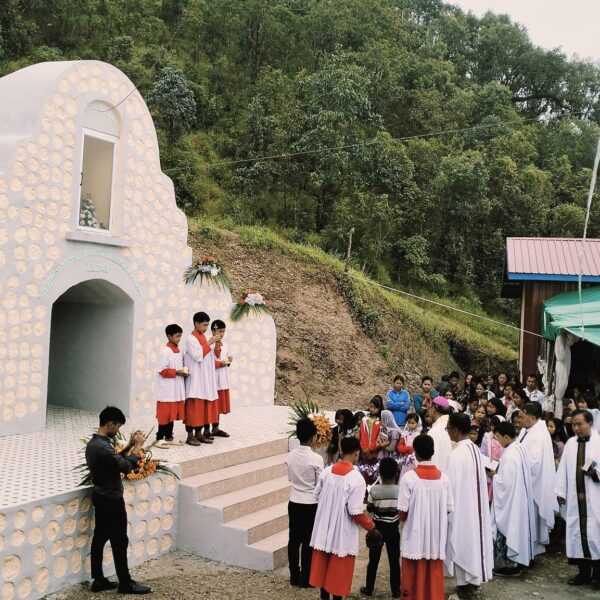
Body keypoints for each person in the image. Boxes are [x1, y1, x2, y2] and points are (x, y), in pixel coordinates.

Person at [85, 406, 151, 595]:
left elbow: (115, 460)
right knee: (119, 540)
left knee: (100, 538)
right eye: (118, 426)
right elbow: (125, 467)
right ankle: (125, 583)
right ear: (110, 424)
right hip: (111, 500)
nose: (118, 430)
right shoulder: (102, 447)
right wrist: (138, 446)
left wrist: (130, 445)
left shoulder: (95, 443)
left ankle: (98, 579)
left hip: (101, 496)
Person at [309, 437, 379, 600]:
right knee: (338, 574)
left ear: (341, 451)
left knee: (324, 569)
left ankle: (324, 596)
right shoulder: (356, 479)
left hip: (325, 527)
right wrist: (371, 526)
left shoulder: (327, 471)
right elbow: (355, 511)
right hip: (342, 531)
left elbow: (316, 494)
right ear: (356, 454)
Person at [397, 434, 454, 600]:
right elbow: (449, 508)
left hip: (414, 536)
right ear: (433, 452)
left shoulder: (409, 478)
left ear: (415, 453)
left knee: (412, 578)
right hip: (435, 538)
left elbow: (402, 512)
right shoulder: (444, 479)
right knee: (433, 578)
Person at [445, 413, 494, 600]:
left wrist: (447, 507)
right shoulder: (474, 449)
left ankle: (464, 588)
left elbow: (451, 485)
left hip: (462, 506)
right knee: (474, 542)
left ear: (456, 430)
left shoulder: (457, 454)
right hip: (476, 506)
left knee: (463, 541)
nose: (448, 431)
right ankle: (471, 583)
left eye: (448, 428)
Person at [555, 409, 600, 588]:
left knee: (595, 536)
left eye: (580, 424)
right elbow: (563, 470)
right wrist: (560, 491)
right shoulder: (571, 444)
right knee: (577, 536)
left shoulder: (599, 443)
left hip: (594, 499)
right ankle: (583, 574)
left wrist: (595, 473)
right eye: (573, 424)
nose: (576, 428)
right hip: (575, 499)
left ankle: (598, 575)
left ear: (590, 423)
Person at [491, 421, 536, 576]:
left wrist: (494, 477)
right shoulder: (518, 448)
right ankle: (517, 563)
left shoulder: (510, 455)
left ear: (505, 436)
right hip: (520, 499)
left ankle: (508, 566)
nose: (497, 441)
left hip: (510, 502)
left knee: (508, 530)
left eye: (498, 437)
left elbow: (506, 484)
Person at [286, 418, 324, 588]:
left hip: (294, 501)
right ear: (312, 437)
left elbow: (289, 478)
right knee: (308, 542)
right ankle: (307, 578)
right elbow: (319, 485)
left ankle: (294, 575)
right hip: (310, 503)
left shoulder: (290, 455)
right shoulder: (316, 458)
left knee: (294, 541)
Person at [518, 402, 558, 556]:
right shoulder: (527, 430)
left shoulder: (539, 434)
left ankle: (530, 553)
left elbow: (534, 463)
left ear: (533, 417)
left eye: (523, 417)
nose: (520, 420)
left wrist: (516, 466)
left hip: (533, 486)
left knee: (531, 521)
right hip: (525, 482)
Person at [361, 457, 401, 598]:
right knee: (394, 561)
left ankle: (369, 589)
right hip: (393, 529)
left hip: (377, 529)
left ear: (380, 473)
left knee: (373, 561)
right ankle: (396, 590)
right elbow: (400, 510)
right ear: (396, 473)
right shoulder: (399, 491)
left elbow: (370, 509)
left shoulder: (374, 490)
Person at [184, 312, 220, 445]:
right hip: (195, 378)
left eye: (207, 325)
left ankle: (199, 433)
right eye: (204, 325)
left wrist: (215, 344)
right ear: (196, 324)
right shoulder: (190, 339)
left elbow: (211, 358)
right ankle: (190, 435)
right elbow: (198, 356)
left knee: (202, 407)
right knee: (194, 407)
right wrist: (210, 342)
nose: (206, 328)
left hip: (204, 378)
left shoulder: (204, 338)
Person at [154, 324, 187, 449]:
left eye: (180, 336)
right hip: (166, 389)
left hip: (175, 388)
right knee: (165, 414)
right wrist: (177, 372)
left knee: (172, 413)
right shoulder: (165, 352)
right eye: (177, 336)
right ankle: (159, 438)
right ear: (169, 336)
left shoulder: (179, 351)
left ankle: (169, 437)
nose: (179, 338)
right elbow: (162, 370)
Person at [207, 319, 232, 439]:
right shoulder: (208, 345)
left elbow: (224, 357)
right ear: (213, 330)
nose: (222, 334)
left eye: (223, 332)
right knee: (211, 403)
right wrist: (219, 364)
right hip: (212, 378)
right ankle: (206, 429)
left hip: (222, 378)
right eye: (220, 331)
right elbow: (206, 362)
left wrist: (228, 361)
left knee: (217, 404)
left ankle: (215, 428)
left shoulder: (225, 345)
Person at [358, 396, 383, 485]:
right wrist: (364, 448)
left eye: (374, 408)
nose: (372, 409)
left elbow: (379, 437)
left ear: (379, 409)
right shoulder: (364, 420)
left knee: (374, 473)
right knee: (364, 472)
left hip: (375, 451)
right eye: (371, 407)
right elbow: (362, 435)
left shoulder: (380, 422)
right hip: (365, 451)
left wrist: (371, 448)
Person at [426, 396, 452, 472]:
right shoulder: (454, 427)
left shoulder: (434, 431)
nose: (428, 411)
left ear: (433, 409)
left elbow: (432, 459)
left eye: (429, 408)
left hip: (439, 474)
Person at [398, 413, 420, 478]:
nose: (410, 425)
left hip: (415, 459)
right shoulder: (404, 434)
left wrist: (413, 450)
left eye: (413, 423)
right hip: (405, 459)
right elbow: (399, 447)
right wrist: (407, 449)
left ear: (417, 424)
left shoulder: (418, 435)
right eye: (409, 423)